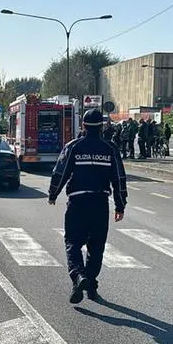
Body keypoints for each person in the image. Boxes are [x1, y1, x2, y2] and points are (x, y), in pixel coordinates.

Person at [47, 109, 128, 304]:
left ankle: (78, 276)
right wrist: (120, 205)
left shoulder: (73, 146)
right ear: (102, 126)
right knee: (96, 246)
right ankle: (90, 283)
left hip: (77, 203)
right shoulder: (110, 148)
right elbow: (119, 178)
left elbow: (61, 172)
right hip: (100, 204)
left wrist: (53, 193)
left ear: (83, 125)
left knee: (73, 243)